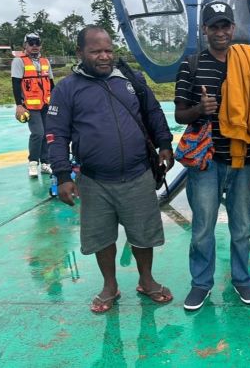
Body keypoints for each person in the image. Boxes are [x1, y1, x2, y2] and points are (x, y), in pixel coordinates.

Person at [46, 26, 174, 313]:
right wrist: (63, 175)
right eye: (96, 51)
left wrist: (164, 142)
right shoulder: (67, 88)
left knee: (143, 234)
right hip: (94, 180)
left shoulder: (131, 79)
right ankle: (110, 285)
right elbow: (55, 134)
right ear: (80, 53)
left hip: (138, 174)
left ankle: (147, 280)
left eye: (108, 50)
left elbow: (152, 111)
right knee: (102, 237)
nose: (104, 57)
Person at [174, 1, 250, 311]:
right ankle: (201, 283)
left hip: (244, 162)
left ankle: (242, 278)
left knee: (242, 227)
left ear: (233, 27)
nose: (220, 32)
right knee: (203, 227)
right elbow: (179, 114)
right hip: (207, 161)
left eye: (225, 25)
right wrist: (200, 110)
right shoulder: (191, 65)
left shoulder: (249, 63)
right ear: (204, 29)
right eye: (214, 26)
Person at [11, 32, 54, 178]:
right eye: (31, 43)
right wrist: (19, 105)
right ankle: (33, 163)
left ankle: (45, 163)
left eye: (37, 43)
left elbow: (51, 83)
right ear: (25, 45)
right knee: (38, 133)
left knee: (47, 134)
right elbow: (16, 84)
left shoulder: (45, 62)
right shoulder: (19, 61)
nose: (35, 46)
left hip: (46, 105)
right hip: (30, 105)